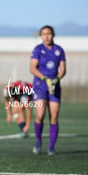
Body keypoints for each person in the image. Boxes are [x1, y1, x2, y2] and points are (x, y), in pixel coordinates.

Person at [30, 25, 66, 155]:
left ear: (53, 35)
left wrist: (56, 79)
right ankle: (38, 141)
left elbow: (63, 69)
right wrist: (45, 78)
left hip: (54, 87)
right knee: (40, 115)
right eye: (44, 34)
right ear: (41, 36)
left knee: (54, 117)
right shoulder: (38, 50)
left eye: (49, 33)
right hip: (40, 86)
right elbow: (32, 68)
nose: (46, 36)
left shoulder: (59, 50)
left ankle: (51, 146)